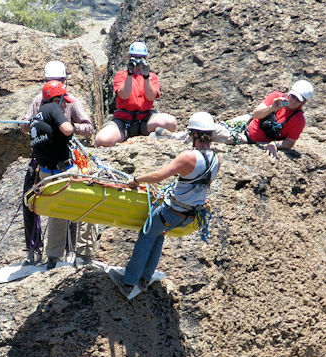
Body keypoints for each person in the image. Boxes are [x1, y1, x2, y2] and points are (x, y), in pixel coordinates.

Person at [109, 112, 220, 297]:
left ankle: (129, 282)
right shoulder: (216, 159)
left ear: (194, 134)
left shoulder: (188, 157)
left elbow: (159, 176)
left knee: (146, 235)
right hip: (190, 215)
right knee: (158, 234)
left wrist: (136, 180)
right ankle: (144, 279)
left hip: (173, 211)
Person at [22, 61, 98, 266]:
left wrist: (69, 127)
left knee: (58, 208)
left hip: (53, 160)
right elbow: (26, 124)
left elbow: (88, 128)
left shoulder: (68, 102)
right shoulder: (49, 104)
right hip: (56, 162)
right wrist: (61, 127)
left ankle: (60, 253)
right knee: (84, 203)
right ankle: (40, 249)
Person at [94, 41, 177, 147]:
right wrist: (129, 73)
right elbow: (124, 95)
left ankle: (150, 134)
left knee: (171, 123)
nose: (138, 61)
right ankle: (124, 135)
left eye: (141, 58)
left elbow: (150, 96)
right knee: (102, 140)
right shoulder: (121, 75)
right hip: (124, 120)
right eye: (134, 57)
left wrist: (146, 76)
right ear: (129, 57)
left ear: (145, 58)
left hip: (145, 119)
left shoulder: (152, 76)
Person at [212, 80, 314, 158]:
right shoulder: (276, 97)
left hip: (247, 138)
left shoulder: (298, 120)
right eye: (293, 96)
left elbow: (290, 142)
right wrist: (272, 108)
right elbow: (256, 114)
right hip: (247, 121)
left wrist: (276, 144)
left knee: (212, 132)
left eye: (298, 100)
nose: (293, 101)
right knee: (214, 126)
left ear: (303, 103)